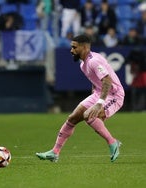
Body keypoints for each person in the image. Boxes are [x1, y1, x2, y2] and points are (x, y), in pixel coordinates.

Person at [36, 34, 125, 163]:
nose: (71, 50)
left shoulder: (94, 60)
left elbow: (107, 80)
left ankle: (113, 143)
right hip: (99, 93)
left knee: (89, 115)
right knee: (73, 118)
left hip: (114, 95)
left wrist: (99, 103)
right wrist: (95, 93)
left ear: (84, 47)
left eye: (74, 47)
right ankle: (55, 152)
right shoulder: (83, 64)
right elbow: (97, 79)